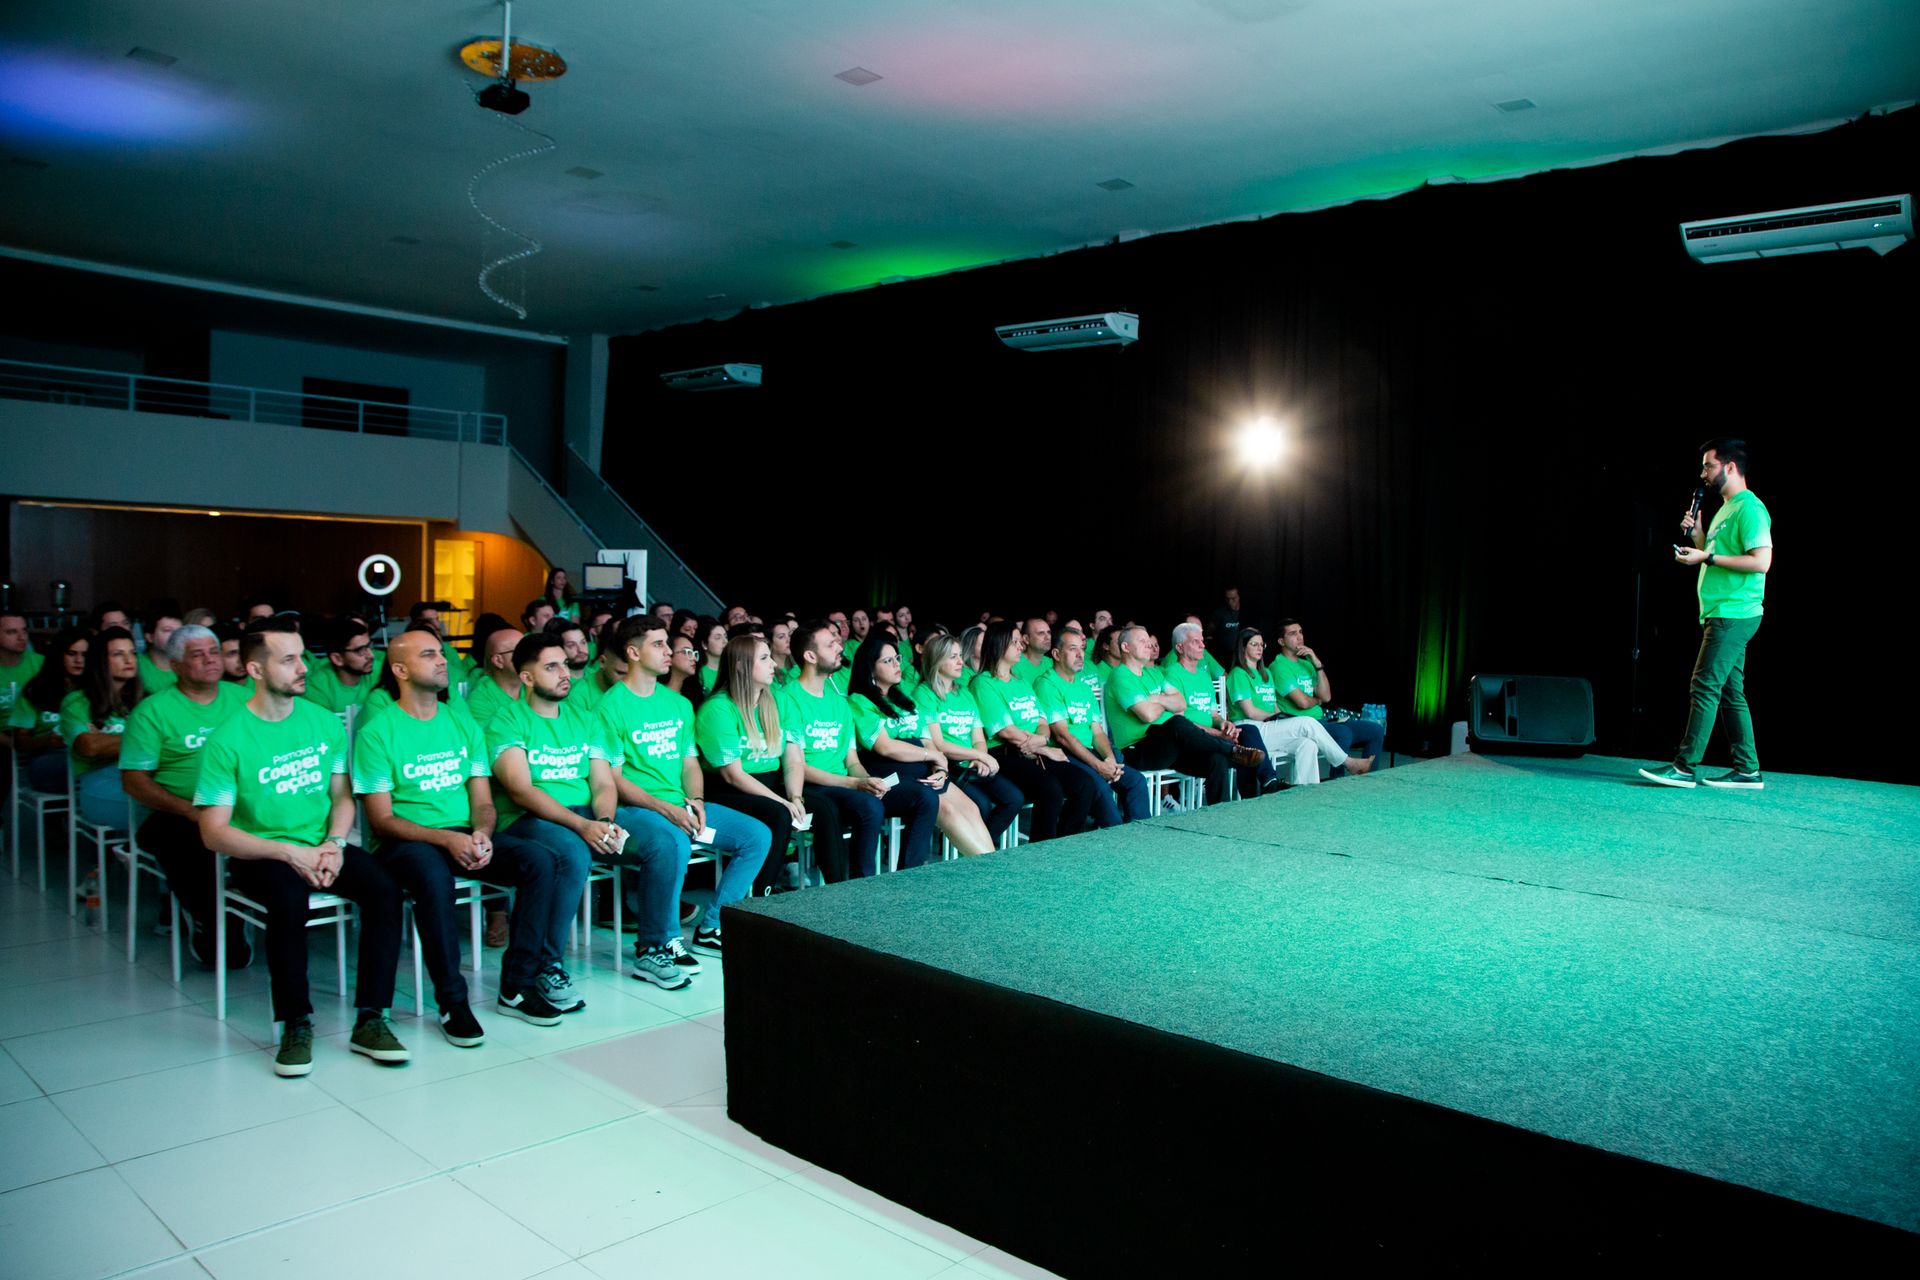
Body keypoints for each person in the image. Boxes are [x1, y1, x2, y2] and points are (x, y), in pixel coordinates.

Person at [194, 623, 408, 1077]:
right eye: (288, 659)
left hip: (321, 846)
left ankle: (372, 1018)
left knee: (385, 889)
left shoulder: (320, 721)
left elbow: (342, 796)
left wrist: (333, 844)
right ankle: (295, 1022)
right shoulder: (227, 740)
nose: (302, 667)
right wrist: (290, 854)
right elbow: (213, 832)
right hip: (260, 853)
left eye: (301, 656)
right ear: (255, 668)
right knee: (289, 901)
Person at [353, 627, 563, 1044]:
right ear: (400, 669)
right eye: (428, 655)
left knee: (540, 861)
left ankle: (517, 986)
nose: (442, 660)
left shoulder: (459, 723)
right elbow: (381, 820)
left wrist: (482, 834)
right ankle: (452, 1001)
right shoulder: (377, 732)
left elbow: (482, 801)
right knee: (434, 878)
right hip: (404, 842)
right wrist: (447, 840)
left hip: (463, 833)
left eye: (440, 653)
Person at [596, 616, 769, 955]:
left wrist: (697, 800)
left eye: (667, 643)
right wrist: (668, 809)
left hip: (680, 804)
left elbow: (690, 762)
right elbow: (613, 778)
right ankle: (666, 940)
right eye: (658, 644)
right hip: (635, 809)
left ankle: (713, 925)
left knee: (757, 835)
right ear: (633, 652)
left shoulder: (678, 703)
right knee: (674, 841)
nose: (669, 651)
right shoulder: (610, 706)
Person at [485, 634, 631, 1009]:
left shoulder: (585, 718)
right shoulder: (507, 720)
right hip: (526, 819)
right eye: (551, 666)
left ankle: (658, 945)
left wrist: (603, 820)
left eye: (565, 664)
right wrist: (582, 827)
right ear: (527, 677)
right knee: (572, 852)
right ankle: (549, 964)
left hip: (585, 814)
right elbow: (520, 790)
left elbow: (602, 781)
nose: (565, 673)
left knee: (664, 839)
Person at [1640, 438, 1773, 790]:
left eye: (1708, 465)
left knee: (1705, 684)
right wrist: (1700, 540)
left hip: (1734, 613)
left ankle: (1685, 766)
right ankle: (1748, 769)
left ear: (1729, 467)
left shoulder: (1750, 509)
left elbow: (1761, 562)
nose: (1703, 473)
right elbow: (1717, 557)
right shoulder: (1726, 509)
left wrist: (1707, 557)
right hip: (1720, 611)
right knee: (1730, 691)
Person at [120, 624, 252, 965]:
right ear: (176, 665)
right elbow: (134, 781)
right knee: (194, 841)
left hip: (245, 805)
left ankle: (250, 906)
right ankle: (211, 919)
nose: (210, 660)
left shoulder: (245, 699)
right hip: (178, 813)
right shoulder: (153, 711)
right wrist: (189, 810)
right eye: (198, 655)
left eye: (214, 652)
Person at [779, 620, 936, 880]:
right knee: (869, 806)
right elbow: (797, 766)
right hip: (811, 785)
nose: (839, 647)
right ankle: (861, 886)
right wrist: (855, 783)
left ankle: (909, 880)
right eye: (830, 644)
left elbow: (851, 759)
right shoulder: (788, 698)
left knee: (924, 797)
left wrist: (867, 780)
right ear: (810, 656)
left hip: (845, 782)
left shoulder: (839, 702)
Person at [846, 636, 994, 858]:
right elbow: (885, 747)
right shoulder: (860, 700)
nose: (897, 664)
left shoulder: (904, 698)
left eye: (897, 658)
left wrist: (940, 769)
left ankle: (994, 864)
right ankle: (989, 869)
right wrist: (932, 755)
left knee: (971, 808)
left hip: (923, 768)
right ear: (870, 668)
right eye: (887, 661)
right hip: (892, 771)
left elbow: (927, 739)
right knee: (946, 809)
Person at [696, 635, 808, 895]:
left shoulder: (778, 700)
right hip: (727, 790)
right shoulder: (718, 709)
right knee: (780, 813)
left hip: (767, 785)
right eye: (764, 658)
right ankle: (763, 895)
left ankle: (834, 896)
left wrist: (796, 796)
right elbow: (733, 775)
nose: (774, 665)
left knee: (823, 808)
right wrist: (782, 802)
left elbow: (793, 758)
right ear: (740, 665)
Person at [972, 621, 1104, 842]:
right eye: (1014, 642)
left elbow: (1042, 720)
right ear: (998, 644)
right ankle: (1041, 853)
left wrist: (1040, 742)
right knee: (1050, 789)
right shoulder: (983, 683)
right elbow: (1006, 731)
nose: (1020, 646)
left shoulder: (1021, 681)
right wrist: (1043, 748)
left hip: (1034, 749)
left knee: (1084, 784)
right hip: (1004, 753)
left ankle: (1064, 845)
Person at [1104, 625, 1263, 805]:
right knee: (1177, 722)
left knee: (1216, 761)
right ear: (1125, 647)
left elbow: (1180, 703)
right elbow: (1147, 715)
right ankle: (1231, 750)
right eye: (1142, 641)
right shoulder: (1120, 676)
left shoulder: (1153, 673)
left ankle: (1221, 817)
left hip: (1170, 747)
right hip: (1138, 750)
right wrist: (1165, 702)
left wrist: (1156, 699)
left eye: (1149, 641)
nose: (1149, 645)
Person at [913, 631, 1022, 846]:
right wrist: (978, 756)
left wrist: (980, 757)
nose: (960, 661)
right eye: (953, 656)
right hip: (948, 766)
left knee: (1014, 799)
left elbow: (978, 738)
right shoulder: (923, 694)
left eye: (960, 655)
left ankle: (979, 852)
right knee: (980, 803)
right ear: (937, 659)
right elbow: (939, 745)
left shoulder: (965, 694)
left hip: (972, 762)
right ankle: (977, 853)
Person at [1037, 628, 1148, 824]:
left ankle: (1139, 836)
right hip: (1065, 755)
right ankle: (1118, 840)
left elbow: (1097, 732)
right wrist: (1098, 765)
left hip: (1089, 752)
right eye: (1073, 649)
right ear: (1055, 654)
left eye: (1081, 648)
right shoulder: (1047, 684)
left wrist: (1109, 759)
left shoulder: (1083, 687)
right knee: (1099, 786)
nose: (1081, 655)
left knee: (1136, 781)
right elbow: (1062, 736)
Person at [1227, 629, 1368, 784]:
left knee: (1308, 745)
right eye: (1254, 644)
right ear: (1243, 647)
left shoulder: (1266, 673)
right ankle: (1348, 762)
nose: (1260, 648)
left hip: (1268, 728)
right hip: (1250, 731)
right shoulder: (1238, 674)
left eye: (1262, 644)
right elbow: (1250, 712)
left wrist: (1281, 717)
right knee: (1306, 722)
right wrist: (1275, 719)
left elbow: (1274, 706)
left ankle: (1304, 795)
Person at [1163, 622, 1279, 797]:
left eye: (1202, 640)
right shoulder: (1171, 674)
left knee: (1246, 732)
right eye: (1196, 642)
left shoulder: (1203, 676)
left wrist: (1224, 724)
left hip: (1212, 735)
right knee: (1228, 754)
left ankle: (1256, 797)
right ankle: (1258, 791)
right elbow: (1180, 724)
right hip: (1190, 740)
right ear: (1179, 647)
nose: (1203, 645)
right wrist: (1217, 733)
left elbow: (1213, 714)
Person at [1269, 619, 1383, 772]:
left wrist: (1317, 664)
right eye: (1293, 634)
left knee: (1375, 730)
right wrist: (1318, 700)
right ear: (1281, 641)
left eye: (1301, 632)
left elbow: (1327, 697)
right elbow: (1302, 702)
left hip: (1322, 721)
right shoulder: (1279, 666)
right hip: (1301, 724)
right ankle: (1336, 785)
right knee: (1343, 733)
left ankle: (1369, 779)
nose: (1300, 637)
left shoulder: (1307, 664)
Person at [62, 625, 144, 829]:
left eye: (132, 653)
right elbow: (90, 747)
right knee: (161, 808)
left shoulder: (147, 700)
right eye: (118, 654)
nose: (129, 660)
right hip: (98, 780)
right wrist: (148, 740)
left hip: (143, 774)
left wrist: (108, 740)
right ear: (101, 661)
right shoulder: (77, 702)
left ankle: (131, 854)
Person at [11, 627, 84, 793]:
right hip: (50, 756)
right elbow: (19, 742)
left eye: (85, 655)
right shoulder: (36, 690)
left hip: (89, 755)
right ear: (59, 655)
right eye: (72, 654)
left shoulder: (96, 689)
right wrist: (48, 740)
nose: (79, 660)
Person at [302, 617, 378, 715]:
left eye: (369, 646)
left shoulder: (379, 671)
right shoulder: (316, 688)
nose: (371, 655)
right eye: (360, 650)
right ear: (337, 659)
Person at [464, 625, 525, 728]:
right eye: (521, 651)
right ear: (498, 661)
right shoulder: (479, 700)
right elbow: (494, 740)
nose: (531, 656)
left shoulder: (534, 686)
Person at [1, 612, 44, 726]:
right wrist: (11, 743)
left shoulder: (42, 664)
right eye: (12, 632)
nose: (22, 637)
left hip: (36, 734)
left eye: (24, 630)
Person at [137, 602, 183, 694]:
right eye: (167, 630)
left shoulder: (188, 665)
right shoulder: (137, 665)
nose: (176, 636)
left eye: (179, 631)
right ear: (149, 637)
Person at [664, 630, 710, 713]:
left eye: (693, 653)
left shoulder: (694, 694)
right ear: (669, 654)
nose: (694, 658)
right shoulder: (656, 692)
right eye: (686, 652)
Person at [1011, 616, 1052, 686]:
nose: (1048, 637)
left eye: (1049, 632)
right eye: (1041, 633)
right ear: (1026, 639)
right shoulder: (1014, 665)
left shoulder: (1052, 663)